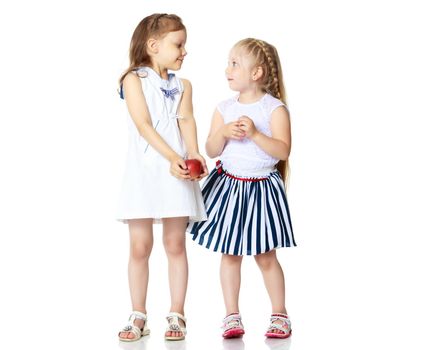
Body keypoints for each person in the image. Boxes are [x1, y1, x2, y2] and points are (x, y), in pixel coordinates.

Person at [188, 38, 296, 339]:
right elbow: (210, 149)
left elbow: (283, 151)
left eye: (235, 63)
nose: (228, 69)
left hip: (261, 190)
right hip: (230, 187)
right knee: (230, 254)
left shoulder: (274, 109)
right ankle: (231, 315)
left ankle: (280, 313)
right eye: (229, 62)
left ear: (257, 72)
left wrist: (256, 134)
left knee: (265, 256)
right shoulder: (224, 108)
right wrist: (223, 132)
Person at [116, 13, 208, 342]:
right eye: (178, 44)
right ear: (153, 46)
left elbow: (186, 120)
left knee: (175, 243)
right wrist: (172, 157)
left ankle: (177, 313)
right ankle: (138, 313)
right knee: (140, 246)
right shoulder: (134, 79)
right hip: (145, 171)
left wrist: (194, 153)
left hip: (177, 171)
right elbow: (144, 124)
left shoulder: (184, 85)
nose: (184, 51)